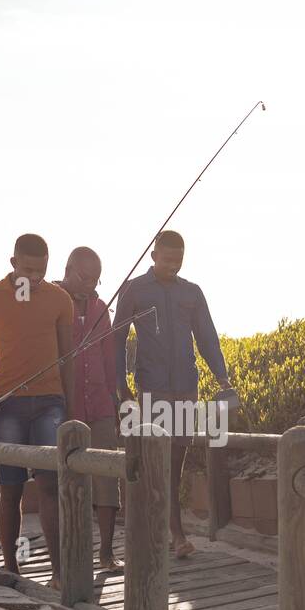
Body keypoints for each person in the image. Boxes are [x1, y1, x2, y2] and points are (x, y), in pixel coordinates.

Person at [112, 230, 232, 558]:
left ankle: (167, 528)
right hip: (151, 387)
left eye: (178, 260)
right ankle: (173, 533)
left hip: (185, 386)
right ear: (154, 256)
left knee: (176, 460)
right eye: (167, 260)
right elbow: (117, 338)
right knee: (155, 459)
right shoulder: (134, 290)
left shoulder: (192, 293)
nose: (173, 266)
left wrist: (222, 377)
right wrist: (121, 387)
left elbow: (207, 336)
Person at [0, 233, 75, 587]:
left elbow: (67, 357)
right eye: (28, 269)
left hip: (50, 404)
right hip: (7, 404)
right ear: (12, 263)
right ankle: (11, 567)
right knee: (10, 490)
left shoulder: (61, 300)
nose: (35, 277)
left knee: (48, 486)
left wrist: (69, 407)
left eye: (41, 270)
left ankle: (59, 573)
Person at [59, 246, 123, 571]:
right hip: (65, 405)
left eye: (96, 280)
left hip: (100, 403)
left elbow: (110, 357)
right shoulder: (52, 299)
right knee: (68, 479)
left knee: (106, 476)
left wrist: (115, 397)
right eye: (85, 278)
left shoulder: (102, 308)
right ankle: (72, 552)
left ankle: (107, 553)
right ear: (68, 268)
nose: (91, 286)